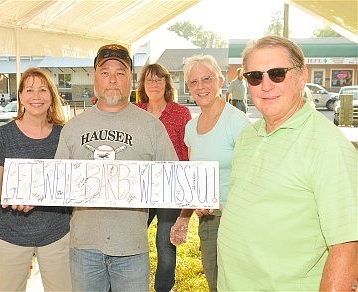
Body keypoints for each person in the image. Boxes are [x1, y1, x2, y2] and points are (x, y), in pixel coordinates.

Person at [217, 35, 357, 291]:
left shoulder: (329, 146)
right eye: (255, 77)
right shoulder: (248, 135)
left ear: (302, 76)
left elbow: (347, 245)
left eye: (277, 73)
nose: (266, 85)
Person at [54, 44, 178, 292]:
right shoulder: (72, 128)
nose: (112, 79)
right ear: (95, 78)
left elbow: (174, 182)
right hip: (84, 248)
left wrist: (198, 195)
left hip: (131, 247)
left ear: (131, 79)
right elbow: (55, 184)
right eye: (105, 72)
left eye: (120, 73)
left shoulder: (152, 127)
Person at [0, 67, 72, 291]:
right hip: (9, 236)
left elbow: (70, 184)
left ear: (51, 95)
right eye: (29, 90)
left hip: (56, 234)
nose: (36, 96)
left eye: (42, 90)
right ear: (20, 96)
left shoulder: (64, 135)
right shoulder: (4, 135)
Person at [169, 55, 250, 291]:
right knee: (215, 283)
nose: (200, 86)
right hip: (209, 219)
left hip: (237, 219)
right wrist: (185, 215)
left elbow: (252, 175)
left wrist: (232, 205)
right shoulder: (191, 127)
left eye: (207, 79)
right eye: (193, 82)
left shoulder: (237, 122)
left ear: (220, 81)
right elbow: (194, 176)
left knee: (238, 284)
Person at [135, 63, 192, 292]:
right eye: (150, 80)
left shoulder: (180, 113)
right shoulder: (134, 111)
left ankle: (163, 289)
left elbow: (186, 153)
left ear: (167, 83)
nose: (155, 84)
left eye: (159, 80)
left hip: (170, 188)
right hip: (140, 189)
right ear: (143, 85)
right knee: (132, 240)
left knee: (165, 245)